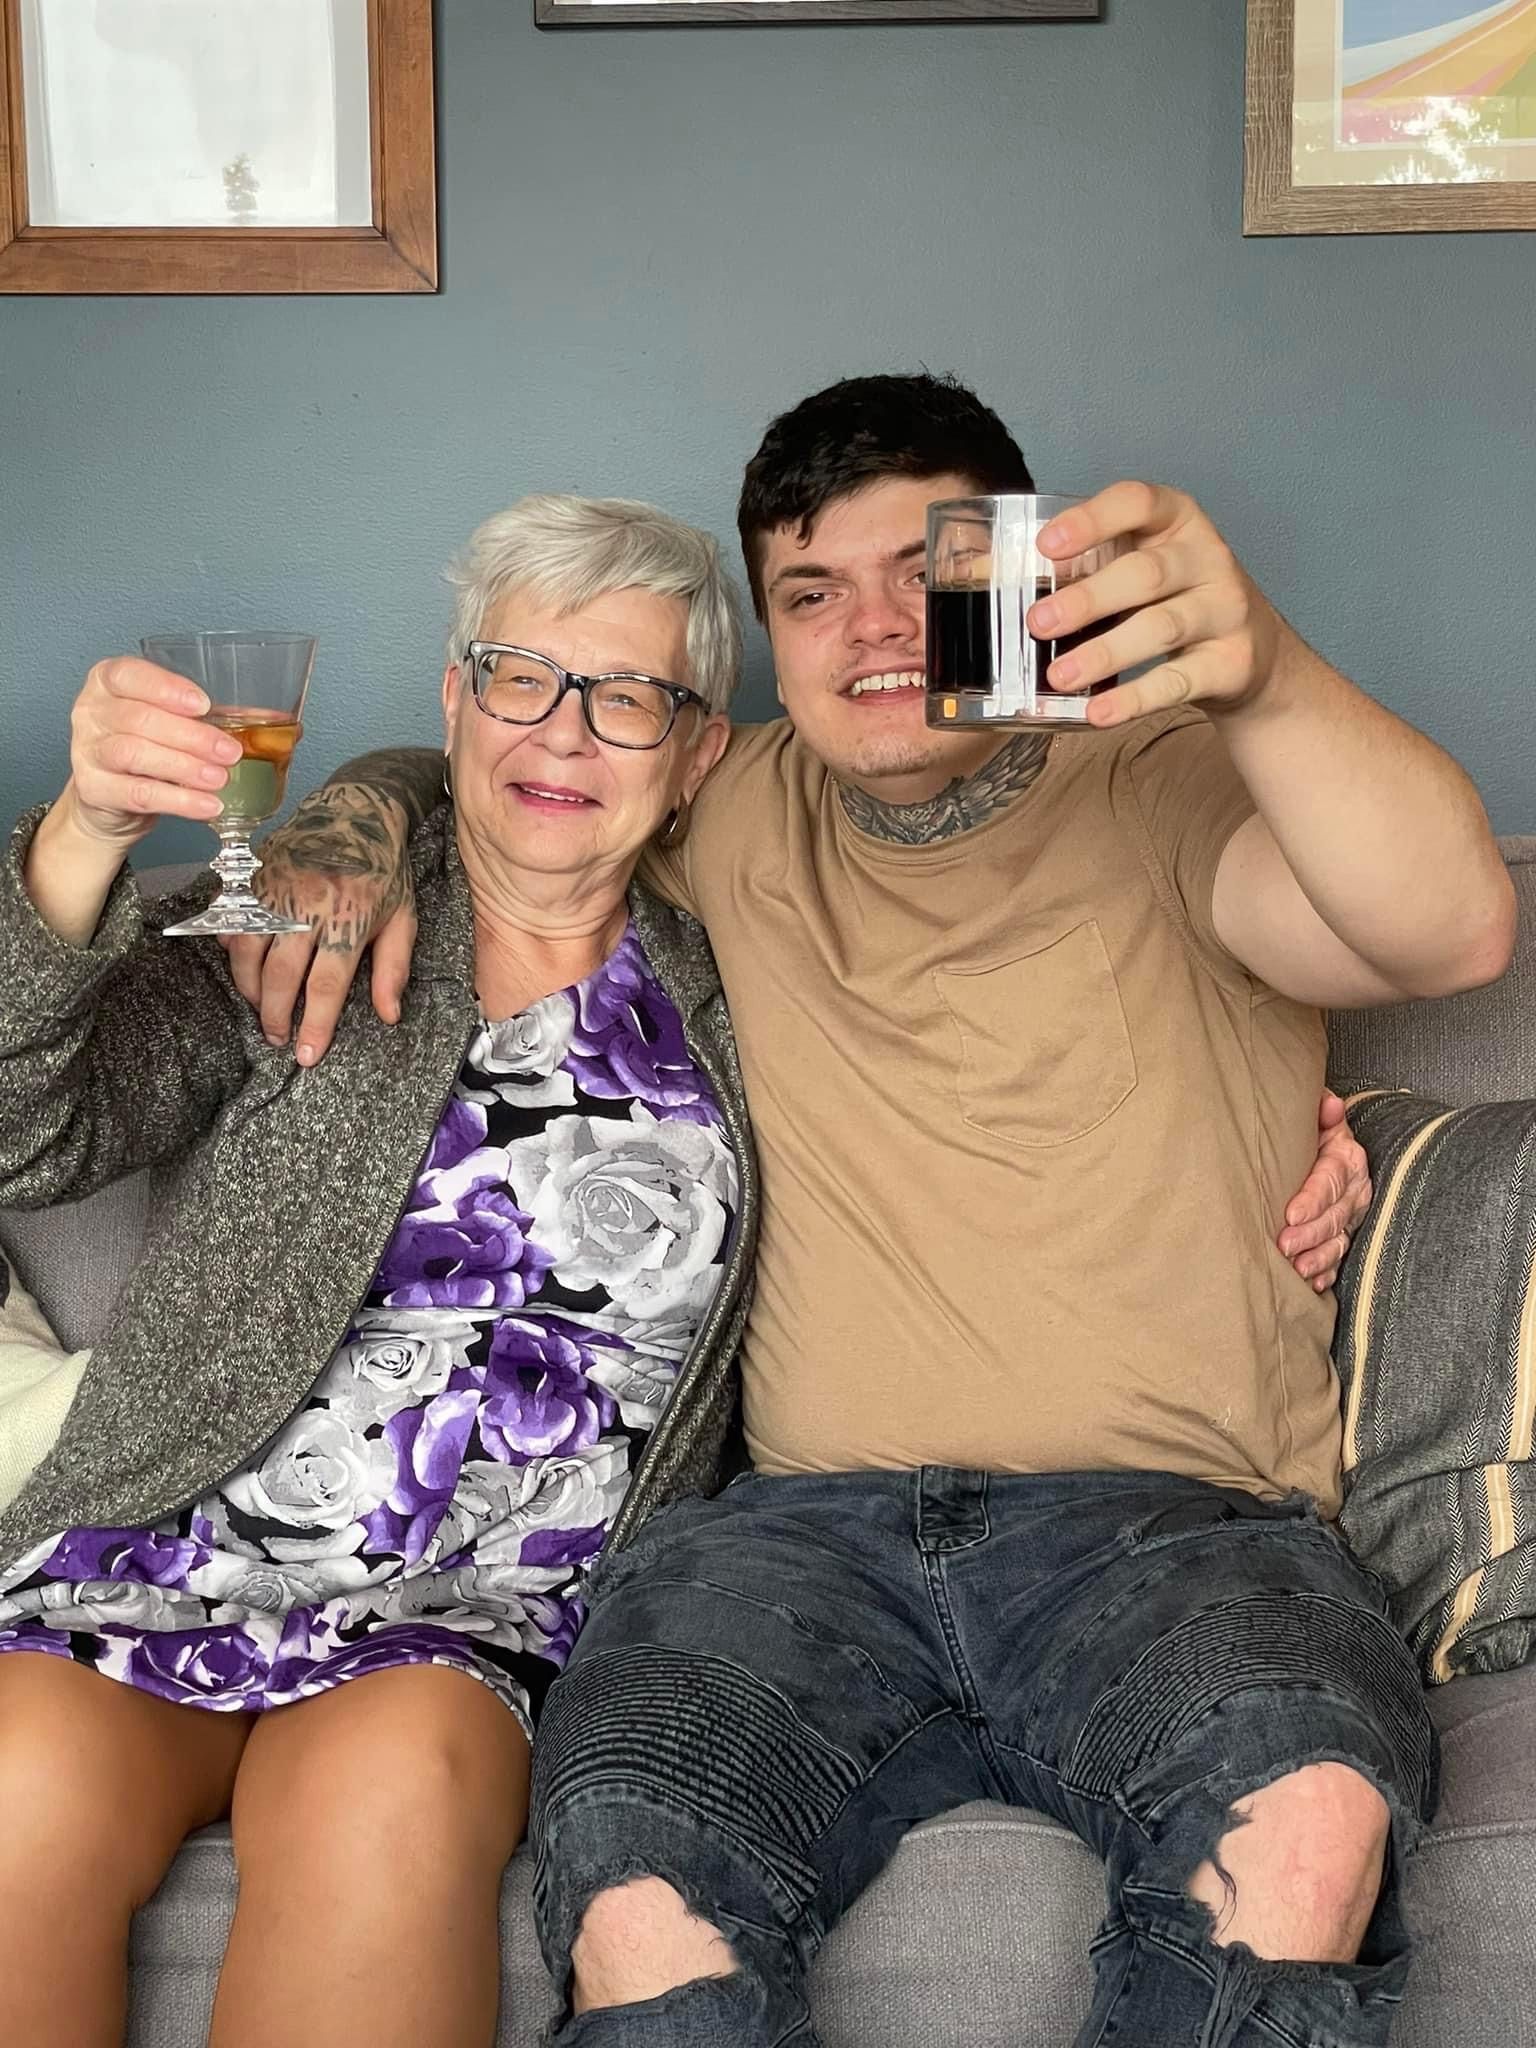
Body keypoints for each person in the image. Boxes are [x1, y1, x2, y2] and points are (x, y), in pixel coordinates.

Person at [229, 375, 1516, 2048]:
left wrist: (1259, 667)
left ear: (1029, 577)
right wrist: (355, 812)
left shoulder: (1171, 779)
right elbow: (522, 744)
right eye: (812, 594)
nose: (876, 630)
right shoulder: (726, 803)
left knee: (1306, 1825)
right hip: (795, 1541)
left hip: (1183, 1535)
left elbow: (1451, 936)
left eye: (930, 573)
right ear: (763, 644)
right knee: (628, 1863)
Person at [0, 496, 752, 2048]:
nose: (563, 732)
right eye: (519, 676)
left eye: (629, 698)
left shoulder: (757, 978)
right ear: (454, 699)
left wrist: (1302, 1116)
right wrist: (82, 833)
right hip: (167, 1539)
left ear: (700, 754)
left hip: (474, 1613)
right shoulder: (313, 917)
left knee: (382, 1804)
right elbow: (29, 1134)